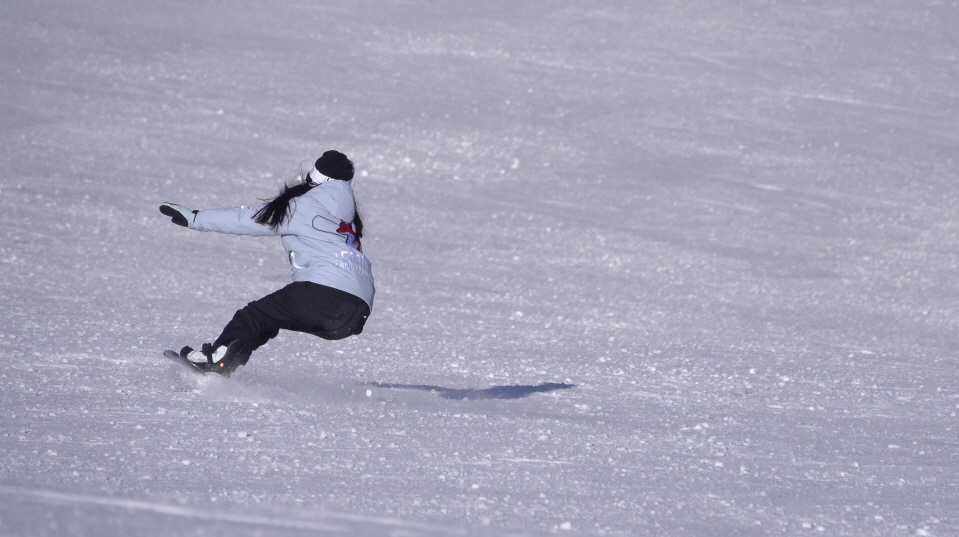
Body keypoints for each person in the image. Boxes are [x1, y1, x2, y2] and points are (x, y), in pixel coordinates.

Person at [159, 150, 374, 377]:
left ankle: (217, 361)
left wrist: (195, 219)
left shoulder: (306, 205)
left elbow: (250, 218)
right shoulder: (346, 218)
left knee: (253, 317)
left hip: (326, 293)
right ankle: (222, 364)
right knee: (265, 320)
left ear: (316, 178)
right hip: (358, 309)